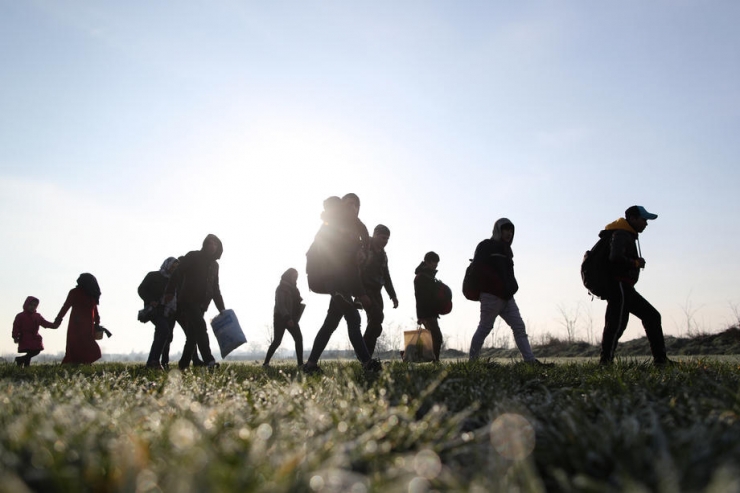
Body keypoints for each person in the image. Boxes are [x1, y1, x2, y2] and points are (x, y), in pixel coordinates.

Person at [303, 195, 381, 374]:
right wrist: (361, 293)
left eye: (356, 205)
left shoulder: (353, 229)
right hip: (335, 281)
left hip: (340, 283)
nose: (353, 207)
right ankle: (367, 364)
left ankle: (310, 365)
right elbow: (345, 265)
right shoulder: (341, 228)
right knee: (354, 318)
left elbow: (352, 267)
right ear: (341, 207)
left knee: (330, 323)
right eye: (349, 204)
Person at [599, 206, 670, 366]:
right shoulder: (621, 234)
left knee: (645, 318)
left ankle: (661, 361)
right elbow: (615, 257)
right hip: (620, 286)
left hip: (625, 287)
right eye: (643, 219)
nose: (646, 223)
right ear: (632, 218)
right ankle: (605, 363)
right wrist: (635, 262)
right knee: (616, 325)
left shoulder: (625, 234)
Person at [468, 219, 543, 364]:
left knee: (519, 327)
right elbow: (478, 269)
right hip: (491, 296)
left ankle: (530, 361)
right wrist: (494, 285)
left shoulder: (507, 250)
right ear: (498, 230)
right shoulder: (486, 246)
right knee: (485, 327)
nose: (509, 233)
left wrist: (512, 287)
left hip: (507, 297)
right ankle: (472, 362)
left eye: (511, 231)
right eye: (505, 230)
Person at [164, 234, 226, 370]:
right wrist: (169, 291)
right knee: (201, 327)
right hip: (187, 300)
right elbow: (177, 273)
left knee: (192, 336)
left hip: (202, 305)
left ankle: (183, 364)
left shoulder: (215, 266)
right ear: (205, 244)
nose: (212, 246)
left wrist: (222, 309)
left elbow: (215, 289)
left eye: (215, 244)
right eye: (210, 243)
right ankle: (209, 361)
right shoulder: (193, 256)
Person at [361, 224, 399, 357]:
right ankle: (363, 352)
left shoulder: (383, 255)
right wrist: (360, 293)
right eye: (383, 238)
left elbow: (386, 276)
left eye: (387, 239)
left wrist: (393, 295)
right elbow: (355, 271)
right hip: (365, 290)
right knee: (377, 317)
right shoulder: (364, 247)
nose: (385, 241)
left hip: (377, 291)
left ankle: (367, 358)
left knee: (376, 325)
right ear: (375, 235)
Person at [138, 257, 179, 370]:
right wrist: (151, 300)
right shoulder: (153, 276)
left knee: (164, 335)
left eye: (176, 268)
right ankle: (155, 361)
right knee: (164, 330)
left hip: (170, 311)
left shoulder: (175, 280)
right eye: (172, 266)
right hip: (155, 310)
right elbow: (141, 289)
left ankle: (153, 362)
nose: (173, 269)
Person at [54, 273, 103, 364]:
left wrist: (58, 319)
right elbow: (95, 310)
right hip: (81, 324)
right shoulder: (85, 293)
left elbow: (66, 306)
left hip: (79, 324)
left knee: (80, 344)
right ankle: (82, 363)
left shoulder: (82, 293)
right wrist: (97, 322)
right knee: (82, 344)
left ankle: (82, 362)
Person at [263, 268, 305, 367]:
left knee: (298, 339)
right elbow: (280, 304)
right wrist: (287, 318)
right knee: (277, 341)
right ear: (288, 276)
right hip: (281, 318)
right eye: (294, 277)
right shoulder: (281, 288)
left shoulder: (295, 289)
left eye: (297, 277)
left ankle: (300, 364)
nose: (295, 279)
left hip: (292, 318)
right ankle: (266, 363)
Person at [414, 251, 444, 362]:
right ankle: (435, 361)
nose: (435, 265)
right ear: (427, 262)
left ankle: (434, 360)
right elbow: (419, 298)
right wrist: (420, 316)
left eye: (437, 263)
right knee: (437, 338)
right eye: (433, 262)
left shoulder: (428, 276)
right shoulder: (422, 277)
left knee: (434, 338)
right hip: (427, 313)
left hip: (431, 312)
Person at [12, 296, 59, 367]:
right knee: (30, 351)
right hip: (25, 337)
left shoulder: (37, 316)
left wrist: (54, 325)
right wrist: (15, 336)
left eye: (35, 305)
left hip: (35, 338)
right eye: (31, 305)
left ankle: (21, 360)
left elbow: (45, 323)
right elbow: (16, 327)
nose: (32, 307)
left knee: (36, 350)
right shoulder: (20, 316)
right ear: (26, 304)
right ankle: (25, 365)